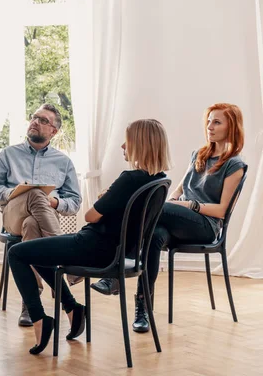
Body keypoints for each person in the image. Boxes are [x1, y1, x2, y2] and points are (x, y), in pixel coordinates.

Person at [8, 119, 172, 355]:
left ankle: (40, 320)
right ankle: (72, 308)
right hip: (118, 251)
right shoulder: (160, 180)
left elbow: (90, 215)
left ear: (141, 144)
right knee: (37, 252)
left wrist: (105, 197)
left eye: (128, 141)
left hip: (94, 247)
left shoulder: (129, 178)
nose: (123, 147)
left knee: (17, 252)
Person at [91, 103, 246, 333]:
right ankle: (143, 308)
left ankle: (116, 266)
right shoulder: (199, 155)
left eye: (217, 122)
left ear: (231, 127)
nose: (209, 126)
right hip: (177, 219)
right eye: (208, 121)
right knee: (154, 235)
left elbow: (222, 211)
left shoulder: (234, 164)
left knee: (147, 206)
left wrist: (188, 205)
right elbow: (177, 190)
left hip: (205, 226)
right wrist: (174, 201)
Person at [0, 103, 81, 326]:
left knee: (31, 225)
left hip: (42, 219)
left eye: (43, 120)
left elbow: (75, 202)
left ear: (53, 131)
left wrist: (54, 201)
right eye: (34, 117)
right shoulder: (8, 154)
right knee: (35, 193)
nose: (35, 122)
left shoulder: (63, 162)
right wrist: (15, 192)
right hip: (12, 215)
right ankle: (69, 258)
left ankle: (31, 301)